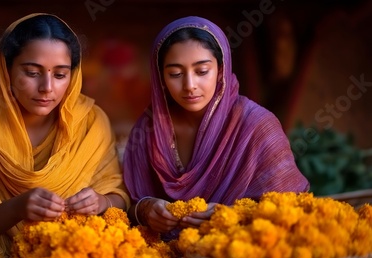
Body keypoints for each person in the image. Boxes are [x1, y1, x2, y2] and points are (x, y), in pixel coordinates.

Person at [0, 13, 130, 258]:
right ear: (6, 70)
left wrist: (101, 202)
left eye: (60, 75)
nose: (47, 87)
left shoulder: (90, 123)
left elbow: (119, 195)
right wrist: (15, 209)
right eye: (32, 72)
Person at [123, 16, 309, 236]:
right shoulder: (149, 128)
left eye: (202, 71)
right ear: (160, 77)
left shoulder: (256, 126)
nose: (189, 86)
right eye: (175, 74)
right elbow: (127, 204)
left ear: (221, 70)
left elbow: (292, 208)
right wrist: (145, 209)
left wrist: (232, 215)